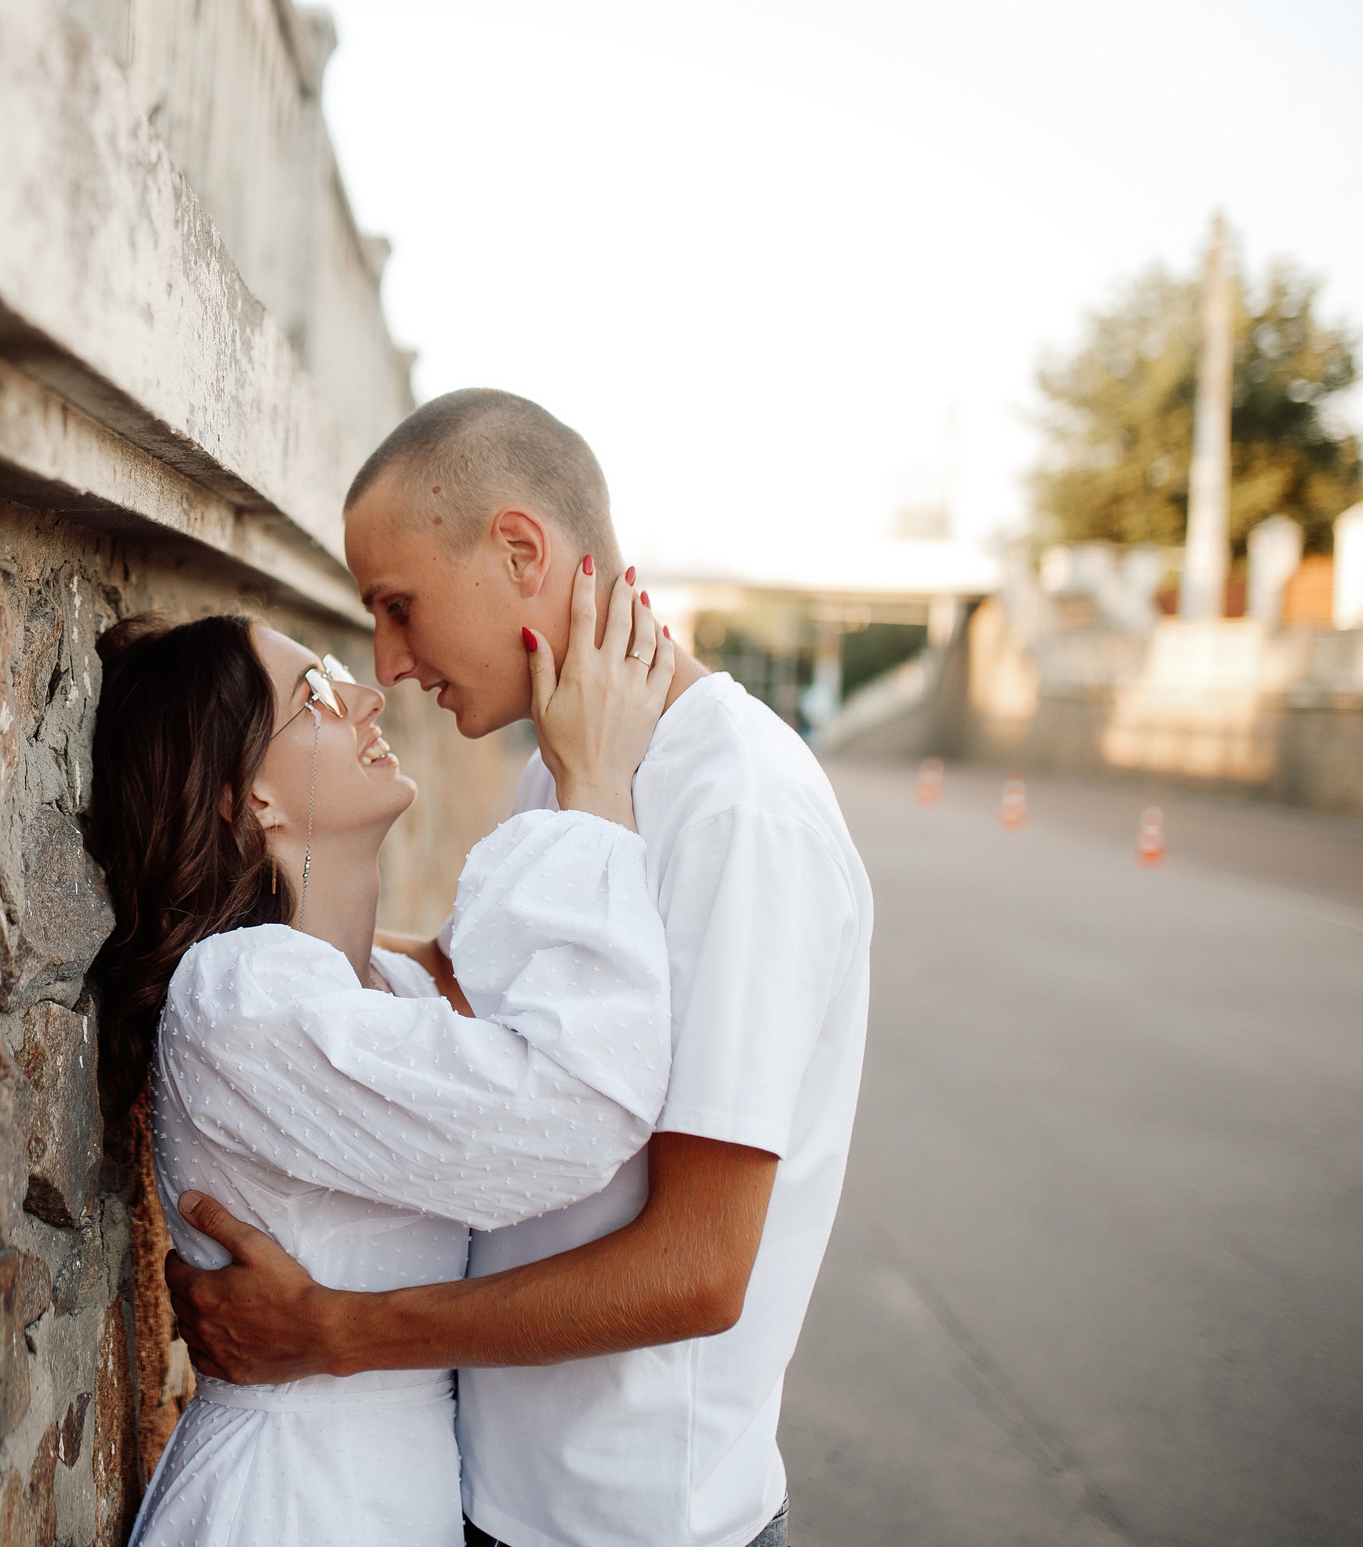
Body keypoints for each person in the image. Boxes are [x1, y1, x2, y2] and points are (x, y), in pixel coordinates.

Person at [166, 389, 875, 1547]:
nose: (388, 664)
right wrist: (225, 929)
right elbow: (463, 990)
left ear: (518, 549)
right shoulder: (566, 761)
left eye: (397, 607)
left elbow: (696, 1271)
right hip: (489, 1492)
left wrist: (334, 1331)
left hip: (630, 1522)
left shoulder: (739, 807)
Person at [87, 565, 675, 1547]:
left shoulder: (373, 993)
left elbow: (468, 984)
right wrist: (594, 794)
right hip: (290, 1502)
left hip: (385, 1486)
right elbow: (568, 1110)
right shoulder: (239, 998)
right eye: (312, 694)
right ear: (249, 801)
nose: (364, 693)